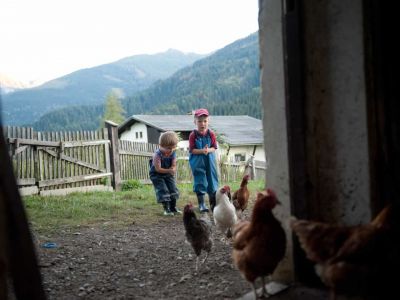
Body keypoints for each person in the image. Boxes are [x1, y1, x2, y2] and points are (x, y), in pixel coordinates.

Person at [189, 108, 219, 213]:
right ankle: (202, 204)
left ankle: (213, 202)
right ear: (195, 122)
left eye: (205, 121)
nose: (203, 124)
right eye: (200, 121)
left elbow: (214, 147)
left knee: (212, 179)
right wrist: (202, 151)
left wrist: (208, 150)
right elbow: (192, 150)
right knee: (200, 180)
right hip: (197, 160)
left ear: (208, 121)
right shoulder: (193, 135)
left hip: (209, 159)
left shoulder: (211, 134)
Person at [149, 131, 181, 216]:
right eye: (168, 148)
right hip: (157, 175)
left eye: (173, 148)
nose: (171, 150)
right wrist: (169, 170)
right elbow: (158, 169)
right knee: (163, 190)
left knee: (173, 189)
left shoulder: (172, 153)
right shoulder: (157, 155)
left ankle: (173, 208)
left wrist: (173, 168)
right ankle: (166, 209)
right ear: (161, 145)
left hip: (168, 174)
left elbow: (173, 164)